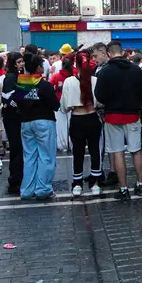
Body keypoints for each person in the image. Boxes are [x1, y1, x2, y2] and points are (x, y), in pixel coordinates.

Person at [94, 40, 142, 200]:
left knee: (118, 151)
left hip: (112, 115)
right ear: (123, 52)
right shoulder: (136, 70)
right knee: (136, 150)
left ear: (109, 54)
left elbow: (99, 95)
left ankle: (123, 188)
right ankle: (140, 184)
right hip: (132, 114)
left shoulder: (105, 71)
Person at [13, 53, 60, 200]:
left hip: (26, 122)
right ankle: (43, 189)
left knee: (29, 156)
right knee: (46, 156)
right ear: (39, 67)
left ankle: (27, 190)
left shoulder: (22, 83)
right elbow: (55, 105)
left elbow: (17, 103)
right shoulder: (45, 85)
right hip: (44, 121)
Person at [61, 54, 102, 197]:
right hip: (92, 117)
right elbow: (101, 102)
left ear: (75, 64)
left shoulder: (68, 81)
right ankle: (95, 182)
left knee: (77, 152)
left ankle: (77, 183)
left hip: (77, 119)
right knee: (95, 150)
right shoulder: (95, 80)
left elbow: (64, 107)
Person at [90, 42, 116, 184]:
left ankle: (112, 172)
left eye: (96, 55)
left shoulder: (106, 70)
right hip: (102, 111)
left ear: (104, 53)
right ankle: (104, 171)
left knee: (109, 143)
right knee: (107, 143)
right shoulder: (99, 68)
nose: (94, 59)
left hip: (106, 111)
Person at [1, 52, 25, 194]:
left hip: (15, 117)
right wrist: (22, 102)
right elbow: (8, 99)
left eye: (22, 61)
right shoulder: (11, 77)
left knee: (18, 148)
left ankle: (17, 178)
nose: (22, 64)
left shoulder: (18, 76)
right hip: (12, 117)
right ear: (13, 63)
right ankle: (14, 180)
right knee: (16, 148)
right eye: (19, 62)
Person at [50, 56, 74, 152]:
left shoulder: (56, 76)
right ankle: (72, 145)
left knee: (61, 126)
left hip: (59, 103)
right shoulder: (74, 75)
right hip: (73, 103)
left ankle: (62, 145)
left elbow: (50, 86)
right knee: (72, 125)